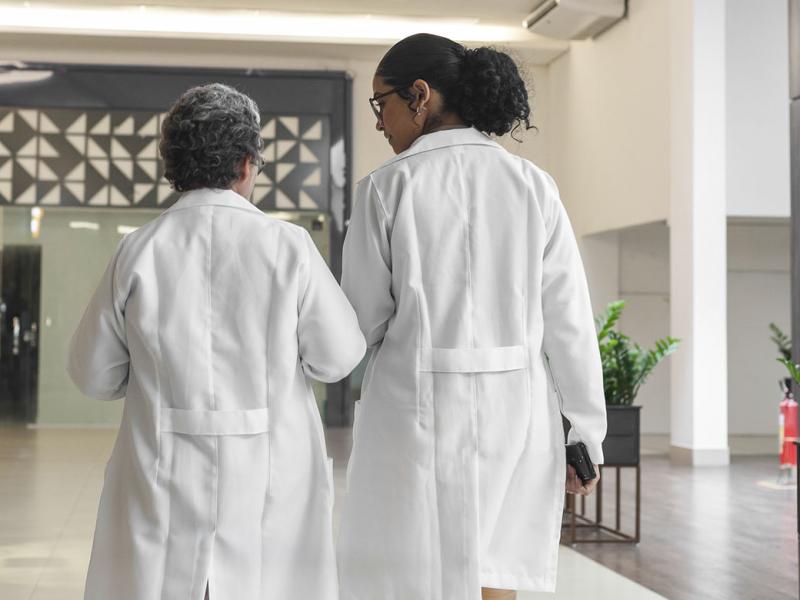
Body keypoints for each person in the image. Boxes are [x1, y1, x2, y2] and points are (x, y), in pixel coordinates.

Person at [67, 83, 365, 600]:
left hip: (162, 467)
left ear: (173, 164)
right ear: (248, 163)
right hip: (271, 471)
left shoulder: (138, 250)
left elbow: (92, 374)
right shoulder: (287, 245)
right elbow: (338, 358)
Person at [337, 34, 607, 600]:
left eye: (380, 104)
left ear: (420, 95)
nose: (380, 123)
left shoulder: (386, 188)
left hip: (413, 407)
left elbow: (361, 322)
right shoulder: (534, 186)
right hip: (516, 408)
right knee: (496, 566)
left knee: (411, 571)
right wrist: (584, 433)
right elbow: (570, 322)